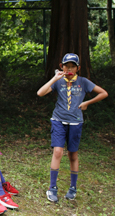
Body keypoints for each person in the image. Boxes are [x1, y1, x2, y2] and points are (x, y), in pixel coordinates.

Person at [37, 53, 108, 203]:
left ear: (78, 68)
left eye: (72, 66)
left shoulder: (83, 82)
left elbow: (103, 93)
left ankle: (73, 187)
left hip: (76, 122)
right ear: (61, 67)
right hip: (58, 120)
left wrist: (88, 102)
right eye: (66, 66)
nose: (69, 69)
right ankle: (52, 188)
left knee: (72, 155)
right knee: (57, 151)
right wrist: (54, 78)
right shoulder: (58, 81)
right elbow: (40, 93)